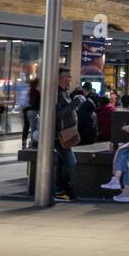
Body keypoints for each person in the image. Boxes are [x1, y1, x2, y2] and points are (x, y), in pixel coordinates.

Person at [52, 68, 79, 202]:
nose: (70, 79)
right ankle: (63, 189)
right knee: (71, 162)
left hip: (65, 133)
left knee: (63, 162)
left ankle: (61, 191)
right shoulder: (56, 93)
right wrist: (75, 104)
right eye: (67, 77)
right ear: (61, 78)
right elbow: (57, 114)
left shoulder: (64, 92)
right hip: (59, 134)